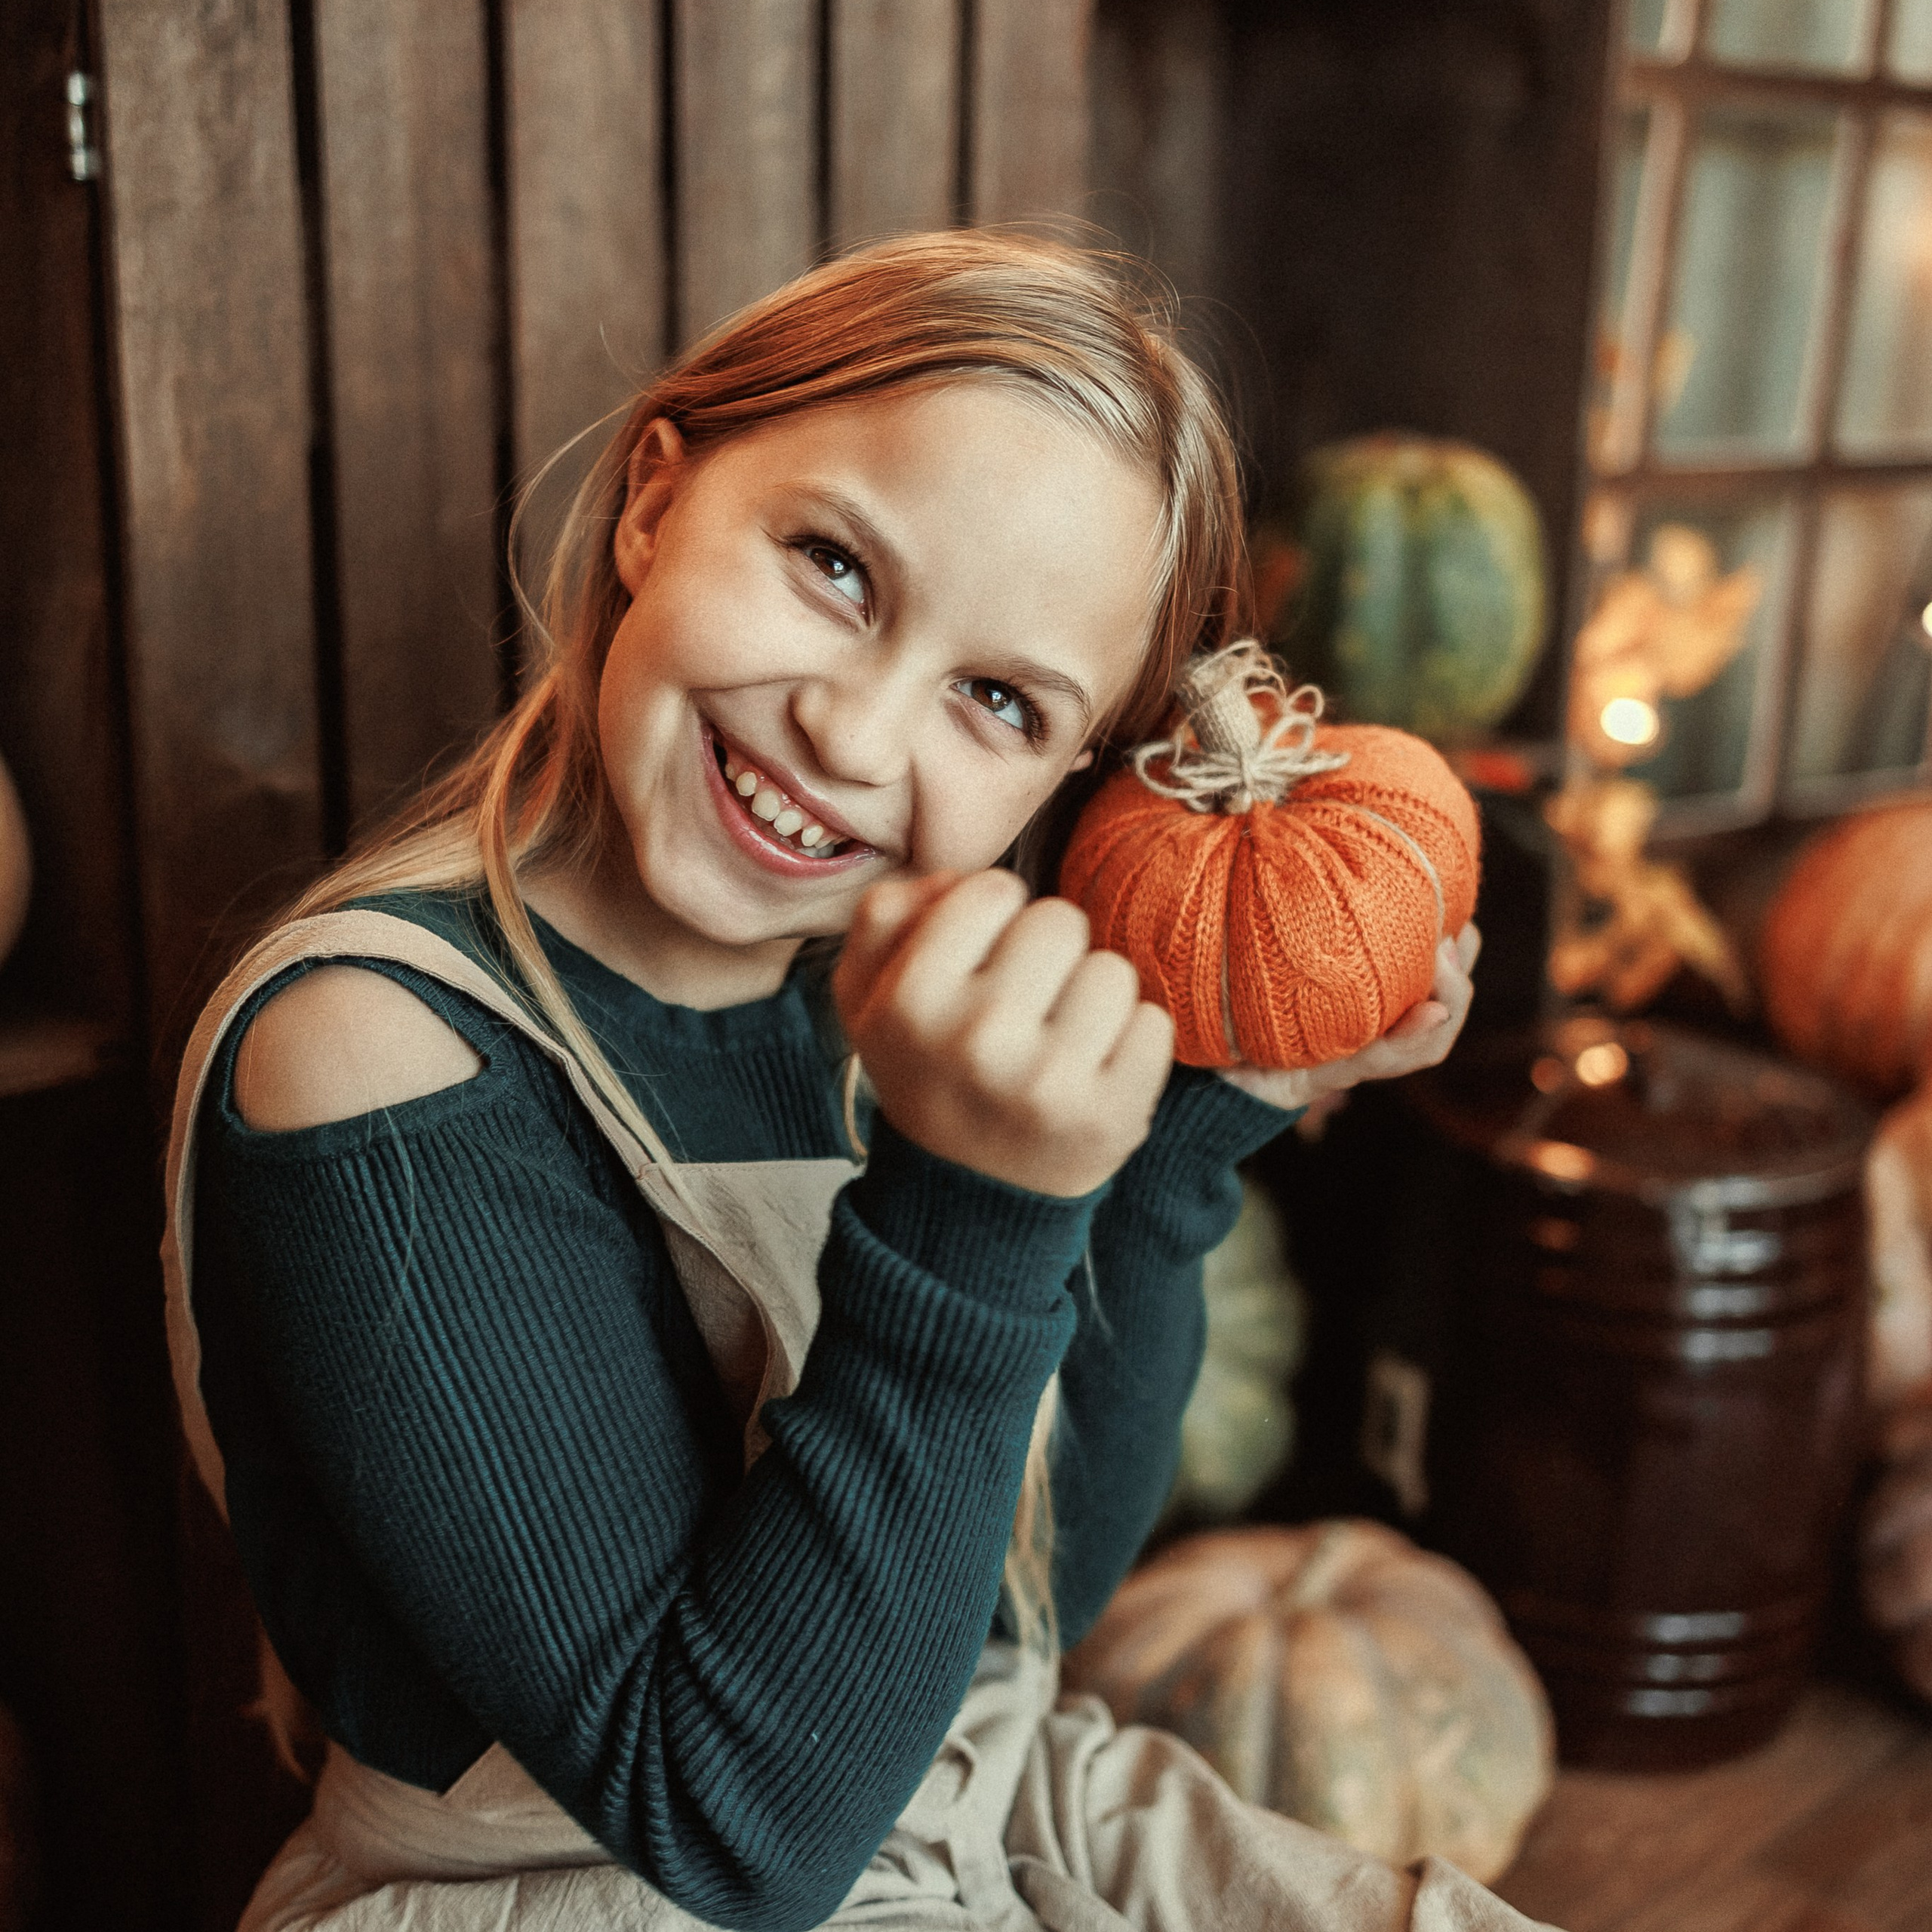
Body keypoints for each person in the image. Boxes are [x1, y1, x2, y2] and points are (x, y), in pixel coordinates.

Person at [162, 230, 1537, 1931]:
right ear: (655, 499)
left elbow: (1019, 1606)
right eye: (831, 565)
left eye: (994, 698)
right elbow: (727, 1819)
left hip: (964, 1784)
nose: (858, 732)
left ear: (1062, 776)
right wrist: (971, 1201)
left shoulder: (884, 998)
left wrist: (1201, 1117)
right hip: (588, 1886)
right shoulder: (374, 1051)